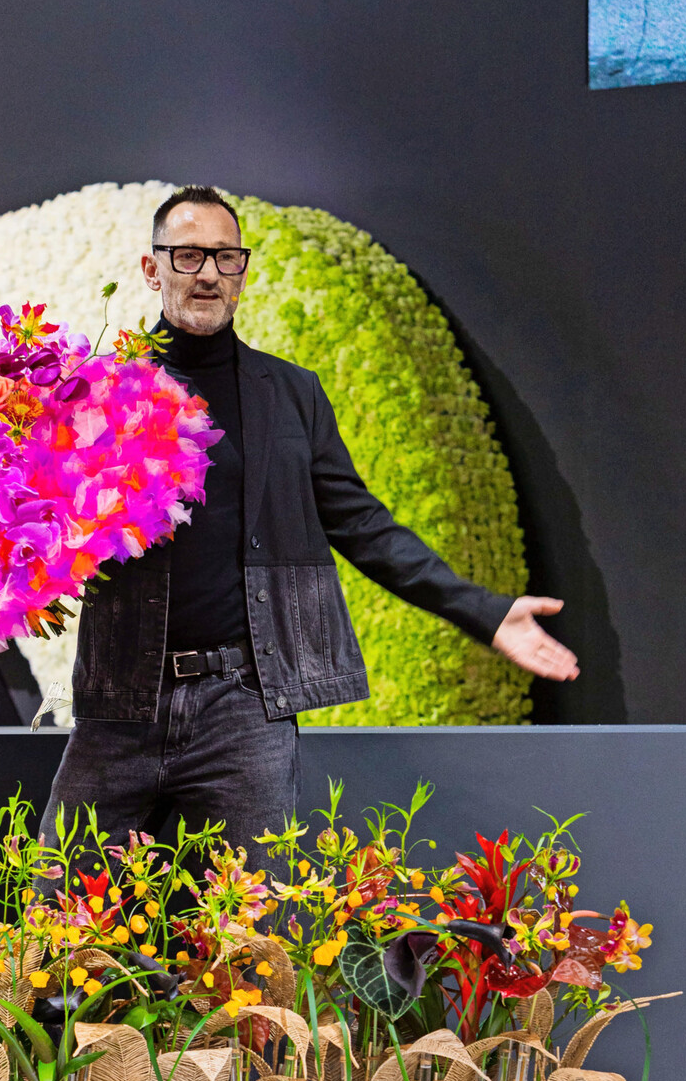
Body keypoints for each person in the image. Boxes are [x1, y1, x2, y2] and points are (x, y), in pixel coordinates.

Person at [39, 184, 578, 857]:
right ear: (153, 269)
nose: (208, 272)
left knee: (249, 942)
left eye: (225, 257)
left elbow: (363, 526)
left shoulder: (291, 395)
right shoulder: (98, 393)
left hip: (243, 709)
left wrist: (484, 611)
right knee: (56, 926)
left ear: (242, 270)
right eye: (188, 255)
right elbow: (31, 520)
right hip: (121, 698)